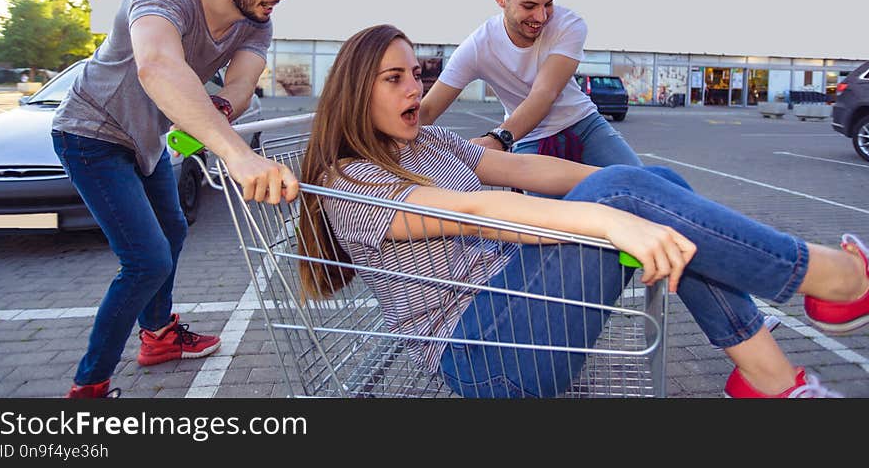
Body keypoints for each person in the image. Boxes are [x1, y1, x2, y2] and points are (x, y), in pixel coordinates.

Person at [297, 24, 869, 398]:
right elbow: (478, 211)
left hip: (524, 312)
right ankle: (830, 279)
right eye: (393, 80)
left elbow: (525, 171)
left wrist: (641, 193)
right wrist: (612, 214)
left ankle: (770, 381)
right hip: (486, 354)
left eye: (415, 76)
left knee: (647, 184)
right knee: (625, 199)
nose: (413, 91)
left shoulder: (427, 142)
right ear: (355, 92)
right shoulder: (349, 182)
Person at [52, 0, 300, 398]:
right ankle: (89, 387)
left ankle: (160, 337)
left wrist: (221, 108)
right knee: (147, 260)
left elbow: (242, 85)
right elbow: (158, 65)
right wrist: (235, 154)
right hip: (90, 132)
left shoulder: (254, 23)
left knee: (174, 231)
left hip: (146, 143)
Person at [419, 0, 642, 177]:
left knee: (642, 183)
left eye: (548, 4)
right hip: (529, 138)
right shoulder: (478, 46)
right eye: (529, 6)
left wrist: (498, 139)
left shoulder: (569, 25)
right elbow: (427, 110)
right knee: (546, 212)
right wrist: (383, 144)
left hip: (583, 124)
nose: (541, 17)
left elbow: (544, 93)